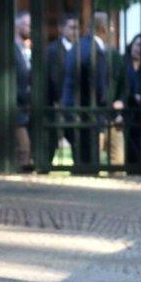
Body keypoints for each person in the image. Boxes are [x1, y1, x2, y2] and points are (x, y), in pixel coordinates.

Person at [63, 12, 110, 170]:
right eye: (110, 27)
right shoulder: (96, 50)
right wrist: (105, 106)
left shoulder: (77, 46)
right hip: (87, 112)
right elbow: (98, 86)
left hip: (70, 109)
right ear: (103, 29)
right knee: (90, 160)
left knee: (80, 159)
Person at [44, 14, 78, 165]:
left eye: (77, 28)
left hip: (75, 104)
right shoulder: (52, 50)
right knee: (52, 139)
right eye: (71, 27)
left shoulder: (80, 48)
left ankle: (81, 170)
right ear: (61, 28)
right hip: (57, 103)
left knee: (77, 138)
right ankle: (44, 167)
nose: (75, 31)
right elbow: (51, 77)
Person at [122, 34, 141, 167]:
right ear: (131, 44)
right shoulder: (123, 62)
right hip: (124, 113)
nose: (139, 49)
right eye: (137, 44)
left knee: (140, 150)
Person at [14, 10, 33, 171]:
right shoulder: (13, 48)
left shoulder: (25, 49)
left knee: (26, 146)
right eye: (26, 24)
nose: (29, 28)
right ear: (16, 24)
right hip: (16, 105)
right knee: (23, 146)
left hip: (26, 105)